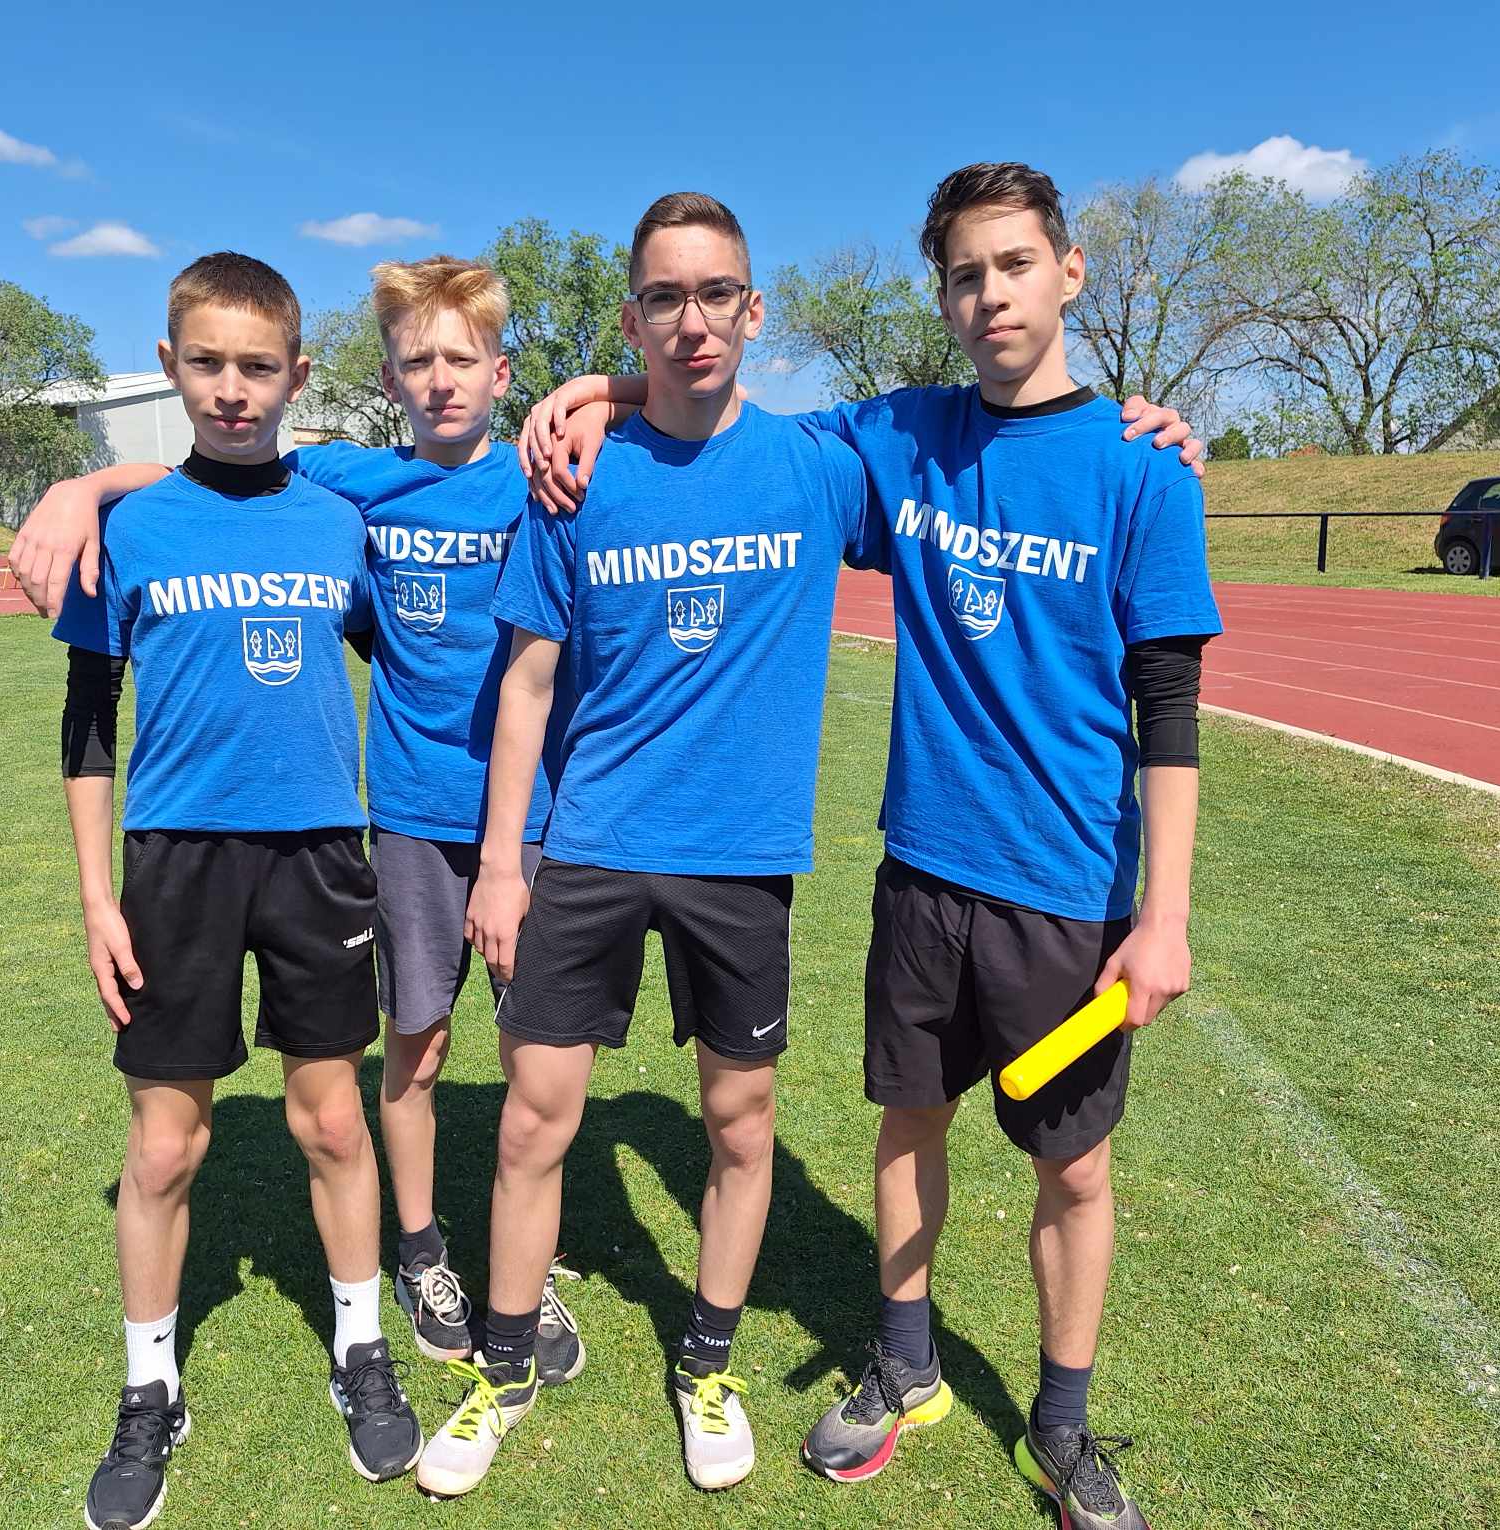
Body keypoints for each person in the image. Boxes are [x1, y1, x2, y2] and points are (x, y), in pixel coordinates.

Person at [520, 162, 1219, 1530]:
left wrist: (1167, 913)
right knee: (910, 1123)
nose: (991, 295)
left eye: (1015, 265)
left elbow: (1171, 709)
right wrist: (594, 390)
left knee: (1074, 1167)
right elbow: (715, 405)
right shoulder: (900, 436)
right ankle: (906, 1363)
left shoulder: (1143, 466)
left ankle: (1063, 1425)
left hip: (1070, 884)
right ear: (942, 296)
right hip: (923, 869)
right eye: (965, 275)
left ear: (1070, 272)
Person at [13, 256, 583, 1381]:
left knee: (536, 1069)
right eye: (416, 360)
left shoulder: (526, 486)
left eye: (461, 357)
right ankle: (415, 1258)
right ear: (385, 376)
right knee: (407, 1052)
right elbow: (217, 474)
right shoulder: (350, 491)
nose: (440, 378)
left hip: (511, 824)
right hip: (373, 821)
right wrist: (82, 486)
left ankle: (519, 1272)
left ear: (501, 371)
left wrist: (599, 394)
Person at [413, 192, 879, 1499]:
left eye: (715, 293)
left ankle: (708, 1365)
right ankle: (505, 1369)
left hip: (739, 856)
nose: (692, 320)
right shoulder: (577, 478)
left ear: (754, 309)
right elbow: (525, 685)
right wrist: (499, 864)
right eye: (665, 299)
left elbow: (994, 432)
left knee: (740, 1118)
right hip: (593, 844)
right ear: (633, 317)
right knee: (532, 1120)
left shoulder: (819, 466)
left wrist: (1140, 429)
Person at [53, 252, 420, 1530]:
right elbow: (87, 723)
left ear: (297, 376)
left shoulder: (339, 523)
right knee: (165, 1144)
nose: (231, 389)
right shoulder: (129, 527)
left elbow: (411, 663)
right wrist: (96, 895)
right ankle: (149, 1386)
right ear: (170, 365)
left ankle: (361, 1348)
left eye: (257, 366)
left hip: (320, 857)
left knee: (332, 1124)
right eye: (206, 363)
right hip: (175, 864)